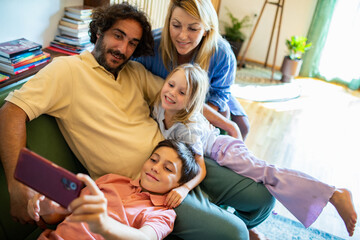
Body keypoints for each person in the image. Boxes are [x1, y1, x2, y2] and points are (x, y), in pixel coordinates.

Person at [0, 3, 275, 240]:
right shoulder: (66, 71)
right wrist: (16, 185)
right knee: (233, 233)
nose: (123, 48)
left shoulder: (133, 71)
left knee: (264, 199)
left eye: (132, 42)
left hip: (181, 156)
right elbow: (11, 112)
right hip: (144, 186)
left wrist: (228, 125)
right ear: (98, 32)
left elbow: (184, 97)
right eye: (118, 36)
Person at [151, 63, 358, 237]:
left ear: (190, 102)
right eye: (170, 84)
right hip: (217, 150)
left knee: (269, 173)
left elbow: (201, 168)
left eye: (181, 92)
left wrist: (184, 188)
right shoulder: (160, 107)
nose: (171, 93)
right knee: (265, 177)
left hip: (223, 150)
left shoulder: (189, 130)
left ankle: (334, 194)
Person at [27, 140, 199, 240]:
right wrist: (45, 207)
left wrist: (104, 225)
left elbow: (145, 238)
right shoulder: (112, 180)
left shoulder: (162, 213)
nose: (155, 168)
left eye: (168, 169)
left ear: (178, 184)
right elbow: (59, 213)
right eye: (154, 160)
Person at [134, 0, 250, 140]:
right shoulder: (151, 45)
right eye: (176, 25)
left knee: (243, 126)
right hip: (165, 100)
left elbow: (219, 94)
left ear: (206, 30)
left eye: (193, 29)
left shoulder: (222, 54)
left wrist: (194, 118)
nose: (182, 36)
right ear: (168, 21)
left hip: (205, 99)